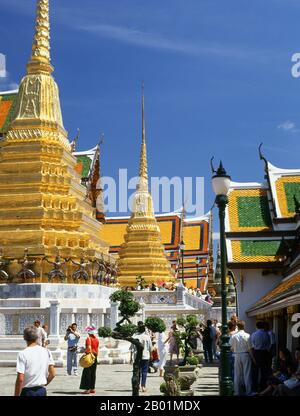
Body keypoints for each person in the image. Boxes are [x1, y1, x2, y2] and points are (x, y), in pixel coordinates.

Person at [15, 326, 55, 396]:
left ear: (24, 338)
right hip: (41, 390)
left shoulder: (23, 353)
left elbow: (20, 379)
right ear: (37, 337)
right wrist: (44, 384)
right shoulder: (46, 351)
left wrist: (16, 394)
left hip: (27, 391)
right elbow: (52, 374)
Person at [230, 320, 253, 396]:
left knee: (237, 374)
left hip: (236, 355)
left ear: (237, 326)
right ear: (244, 326)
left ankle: (237, 392)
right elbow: (250, 348)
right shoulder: (248, 335)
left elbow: (231, 348)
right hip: (245, 355)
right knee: (247, 374)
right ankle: (248, 392)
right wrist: (253, 358)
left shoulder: (233, 336)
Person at [250, 321, 272, 392]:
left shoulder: (253, 334)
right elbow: (269, 344)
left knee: (255, 371)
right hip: (265, 353)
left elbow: (252, 345)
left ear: (257, 326)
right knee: (264, 371)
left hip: (256, 352)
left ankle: (254, 387)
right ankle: (263, 387)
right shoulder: (267, 334)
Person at [80, 325, 99, 394]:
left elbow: (88, 348)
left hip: (89, 356)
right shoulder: (96, 339)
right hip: (95, 356)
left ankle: (87, 389)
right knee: (93, 373)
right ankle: (92, 388)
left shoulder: (88, 338)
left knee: (87, 372)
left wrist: (84, 351)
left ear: (89, 332)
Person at [133, 321, 152, 392]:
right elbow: (150, 348)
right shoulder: (147, 337)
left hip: (137, 357)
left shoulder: (135, 337)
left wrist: (131, 357)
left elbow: (132, 348)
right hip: (145, 356)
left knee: (137, 372)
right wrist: (151, 355)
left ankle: (137, 385)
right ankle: (143, 386)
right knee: (144, 372)